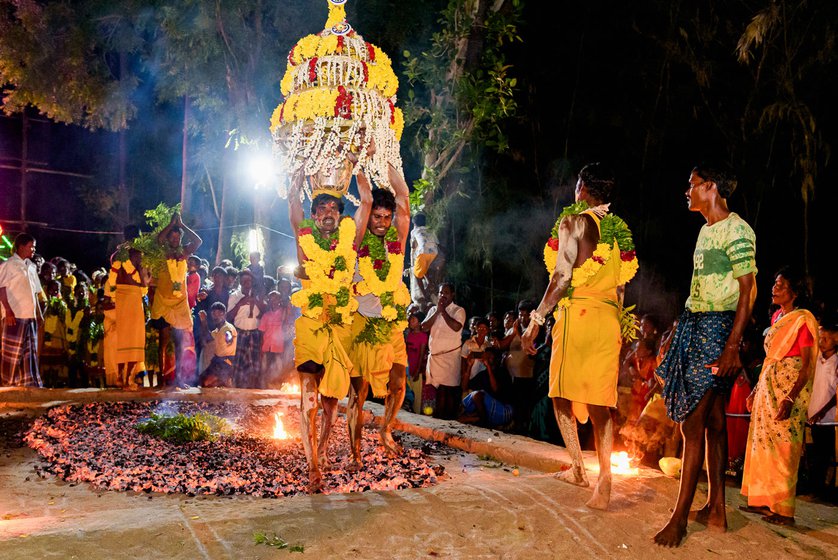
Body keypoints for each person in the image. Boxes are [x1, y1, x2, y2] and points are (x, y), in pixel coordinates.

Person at [522, 163, 638, 510]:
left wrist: (536, 319)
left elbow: (561, 277)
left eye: (576, 184)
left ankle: (577, 468)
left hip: (579, 317)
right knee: (602, 403)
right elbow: (620, 288)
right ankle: (603, 479)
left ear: (582, 189)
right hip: (607, 321)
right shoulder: (618, 233)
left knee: (559, 393)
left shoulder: (574, 221)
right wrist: (618, 327)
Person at [654, 165, 757, 546]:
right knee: (712, 420)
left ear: (710, 187)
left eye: (692, 184)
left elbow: (748, 290)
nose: (687, 190)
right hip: (697, 324)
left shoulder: (737, 229)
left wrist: (732, 345)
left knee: (691, 424)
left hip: (718, 330)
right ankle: (716, 509)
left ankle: (679, 519)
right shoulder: (705, 230)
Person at [288, 163, 371, 492]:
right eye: (321, 207)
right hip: (311, 324)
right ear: (314, 214)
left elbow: (365, 203)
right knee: (308, 395)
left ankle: (322, 448)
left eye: (333, 207)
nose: (327, 212)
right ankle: (311, 466)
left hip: (341, 327)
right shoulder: (303, 238)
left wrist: (361, 163)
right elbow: (292, 200)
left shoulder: (351, 241)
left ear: (340, 215)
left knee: (330, 402)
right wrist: (295, 167)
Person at [740, 269, 818, 525]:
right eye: (774, 284)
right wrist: (755, 390)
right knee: (763, 446)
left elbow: (806, 365)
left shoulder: (803, 320)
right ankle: (764, 500)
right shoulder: (777, 317)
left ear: (794, 292)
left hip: (788, 390)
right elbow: (769, 359)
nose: (774, 289)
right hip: (768, 387)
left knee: (784, 449)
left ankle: (785, 511)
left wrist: (790, 397)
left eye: (781, 285)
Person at [347, 160, 412, 465]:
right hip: (362, 325)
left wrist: (383, 159)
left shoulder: (397, 242)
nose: (383, 222)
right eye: (377, 216)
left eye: (387, 217)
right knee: (358, 395)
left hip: (391, 324)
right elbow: (366, 200)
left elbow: (404, 199)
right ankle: (355, 451)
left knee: (399, 384)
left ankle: (386, 430)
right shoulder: (358, 239)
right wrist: (361, 163)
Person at [149, 212, 202, 388]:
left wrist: (182, 224)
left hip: (179, 302)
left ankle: (178, 379)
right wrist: (171, 224)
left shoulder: (184, 252)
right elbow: (158, 239)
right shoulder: (164, 252)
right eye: (172, 236)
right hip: (164, 300)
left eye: (177, 237)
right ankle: (161, 379)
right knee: (163, 342)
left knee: (179, 343)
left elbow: (198, 242)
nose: (174, 240)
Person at [0, 233, 44, 387]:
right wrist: (8, 311)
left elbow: (35, 292)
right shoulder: (8, 265)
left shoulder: (31, 267)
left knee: (29, 352)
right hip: (15, 315)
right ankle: (8, 383)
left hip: (29, 316)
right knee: (12, 353)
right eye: (31, 246)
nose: (33, 249)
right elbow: (2, 289)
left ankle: (29, 383)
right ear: (21, 246)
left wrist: (38, 313)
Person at [422, 283, 466, 420]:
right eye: (441, 293)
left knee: (446, 393)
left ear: (452, 295)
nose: (442, 295)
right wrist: (437, 311)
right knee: (433, 394)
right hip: (434, 359)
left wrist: (443, 312)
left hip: (449, 359)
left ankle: (446, 423)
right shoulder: (433, 310)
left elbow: (456, 327)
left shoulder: (458, 310)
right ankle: (433, 421)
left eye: (446, 293)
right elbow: (424, 327)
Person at [807, 317, 838, 498]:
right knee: (812, 454)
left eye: (826, 339)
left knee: (823, 455)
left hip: (825, 419)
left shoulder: (836, 363)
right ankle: (812, 487)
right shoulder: (816, 359)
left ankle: (821, 490)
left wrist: (821, 412)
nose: (822, 342)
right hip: (811, 415)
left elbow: (836, 396)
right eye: (820, 338)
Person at [112, 248, 148, 389]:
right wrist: (139, 268)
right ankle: (124, 378)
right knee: (131, 339)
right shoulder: (122, 260)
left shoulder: (118, 258)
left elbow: (143, 284)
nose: (140, 259)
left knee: (129, 340)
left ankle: (124, 378)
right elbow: (144, 284)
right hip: (129, 301)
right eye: (139, 257)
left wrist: (139, 267)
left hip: (127, 302)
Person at [227, 269, 265, 388]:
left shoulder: (258, 295)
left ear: (252, 281)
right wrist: (240, 303)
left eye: (249, 280)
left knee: (254, 363)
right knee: (238, 361)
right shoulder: (234, 296)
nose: (246, 283)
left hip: (255, 333)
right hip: (239, 332)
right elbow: (228, 316)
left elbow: (265, 311)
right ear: (240, 282)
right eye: (244, 280)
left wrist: (256, 301)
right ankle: (237, 388)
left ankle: (254, 389)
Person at [197, 302, 237, 387]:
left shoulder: (227, 328)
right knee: (201, 380)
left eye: (219, 313)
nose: (216, 316)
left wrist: (228, 339)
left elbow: (229, 338)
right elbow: (208, 338)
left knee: (207, 383)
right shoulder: (218, 330)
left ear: (224, 315)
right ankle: (223, 382)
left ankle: (224, 381)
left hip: (225, 364)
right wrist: (203, 321)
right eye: (214, 313)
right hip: (217, 362)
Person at [259, 290, 291, 388]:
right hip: (267, 346)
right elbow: (262, 332)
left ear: (279, 300)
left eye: (276, 299)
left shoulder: (284, 312)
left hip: (279, 347)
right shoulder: (266, 315)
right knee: (266, 369)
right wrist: (261, 348)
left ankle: (277, 388)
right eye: (271, 299)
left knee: (278, 369)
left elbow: (288, 320)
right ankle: (265, 389)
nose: (273, 301)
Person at [404, 311, 429, 414]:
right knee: (406, 391)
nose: (410, 321)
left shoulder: (423, 336)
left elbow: (422, 354)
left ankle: (416, 414)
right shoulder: (409, 334)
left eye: (413, 320)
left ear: (419, 323)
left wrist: (418, 369)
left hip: (415, 366)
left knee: (416, 393)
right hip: (406, 365)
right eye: (410, 319)